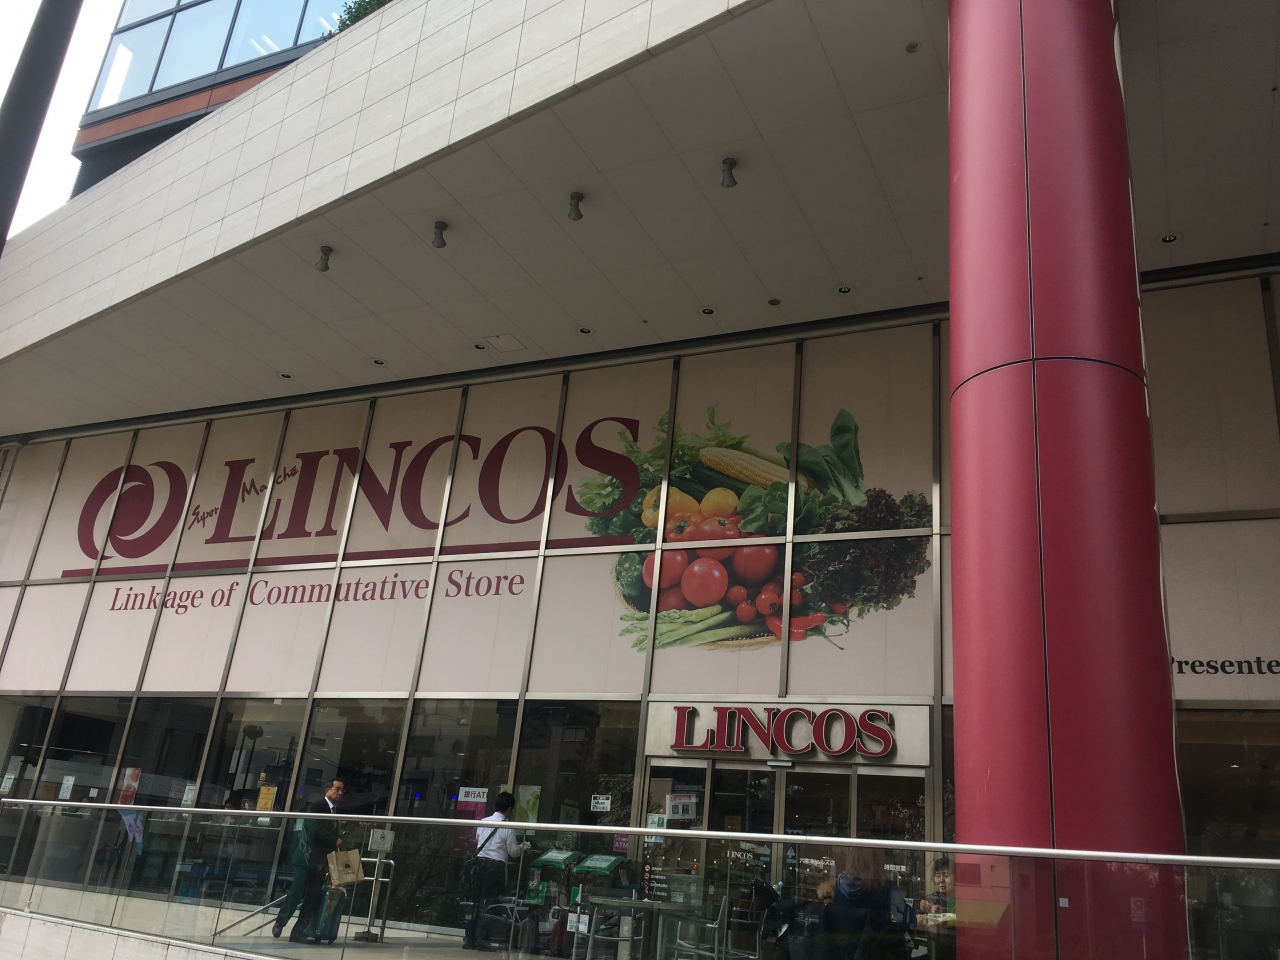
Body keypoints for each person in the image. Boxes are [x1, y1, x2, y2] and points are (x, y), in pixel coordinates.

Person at [273, 778, 346, 943]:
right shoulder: (317, 807)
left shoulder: (336, 811)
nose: (340, 793)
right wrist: (334, 840)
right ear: (327, 790)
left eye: (342, 790)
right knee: (296, 892)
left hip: (322, 861)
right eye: (337, 789)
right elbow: (317, 828)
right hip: (307, 858)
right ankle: (280, 922)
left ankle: (299, 932)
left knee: (313, 897)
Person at [464, 791, 527, 950]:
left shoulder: (483, 822)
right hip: (495, 868)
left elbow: (478, 841)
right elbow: (513, 852)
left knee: (476, 902)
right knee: (490, 904)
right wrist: (524, 847)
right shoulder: (508, 827)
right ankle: (482, 939)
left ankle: (470, 937)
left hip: (479, 865)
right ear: (510, 808)